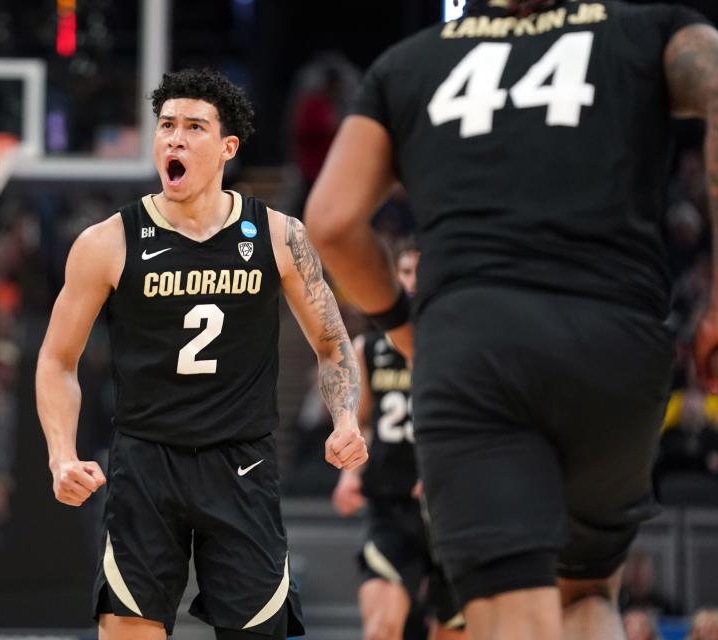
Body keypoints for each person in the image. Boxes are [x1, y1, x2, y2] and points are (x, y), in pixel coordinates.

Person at [305, 2, 718, 639]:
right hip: (612, 340)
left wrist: (409, 331)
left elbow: (330, 220)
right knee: (585, 592)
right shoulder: (651, 29)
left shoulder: (409, 63)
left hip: (474, 349)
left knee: (507, 610)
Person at [36, 68, 367, 640]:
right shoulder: (107, 242)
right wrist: (61, 454)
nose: (176, 139)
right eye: (167, 126)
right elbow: (57, 360)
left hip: (242, 462)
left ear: (226, 148)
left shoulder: (279, 235)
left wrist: (345, 418)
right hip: (145, 462)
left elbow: (333, 343)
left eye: (194, 127)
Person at [332, 245, 466, 640]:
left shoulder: (462, 350)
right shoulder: (369, 349)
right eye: (405, 271)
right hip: (391, 507)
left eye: (420, 272)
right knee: (381, 630)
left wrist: (448, 469)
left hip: (454, 510)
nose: (411, 282)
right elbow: (360, 424)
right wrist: (348, 474)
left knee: (454, 631)